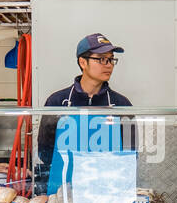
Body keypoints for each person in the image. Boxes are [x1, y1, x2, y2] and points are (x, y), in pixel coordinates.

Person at [36, 33, 134, 191]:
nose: (108, 65)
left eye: (111, 59)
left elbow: (131, 155)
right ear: (83, 62)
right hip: (65, 192)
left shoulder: (122, 105)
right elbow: (44, 152)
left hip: (107, 193)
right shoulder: (57, 102)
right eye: (102, 59)